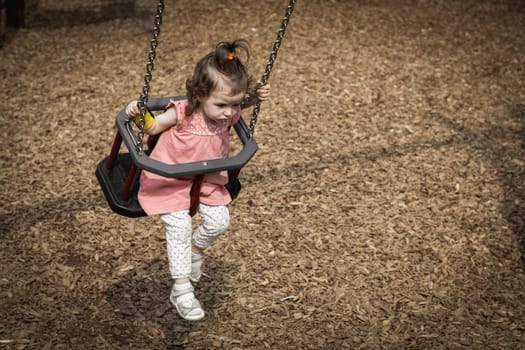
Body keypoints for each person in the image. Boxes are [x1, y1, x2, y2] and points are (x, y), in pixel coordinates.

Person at [125, 40, 270, 321]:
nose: (230, 112)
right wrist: (139, 112)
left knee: (219, 222)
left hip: (207, 182)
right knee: (178, 226)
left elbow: (237, 102)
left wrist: (253, 98)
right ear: (200, 95)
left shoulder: (228, 112)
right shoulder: (183, 112)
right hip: (169, 179)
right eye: (222, 104)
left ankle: (195, 250)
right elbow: (153, 126)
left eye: (235, 104)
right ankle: (181, 289)